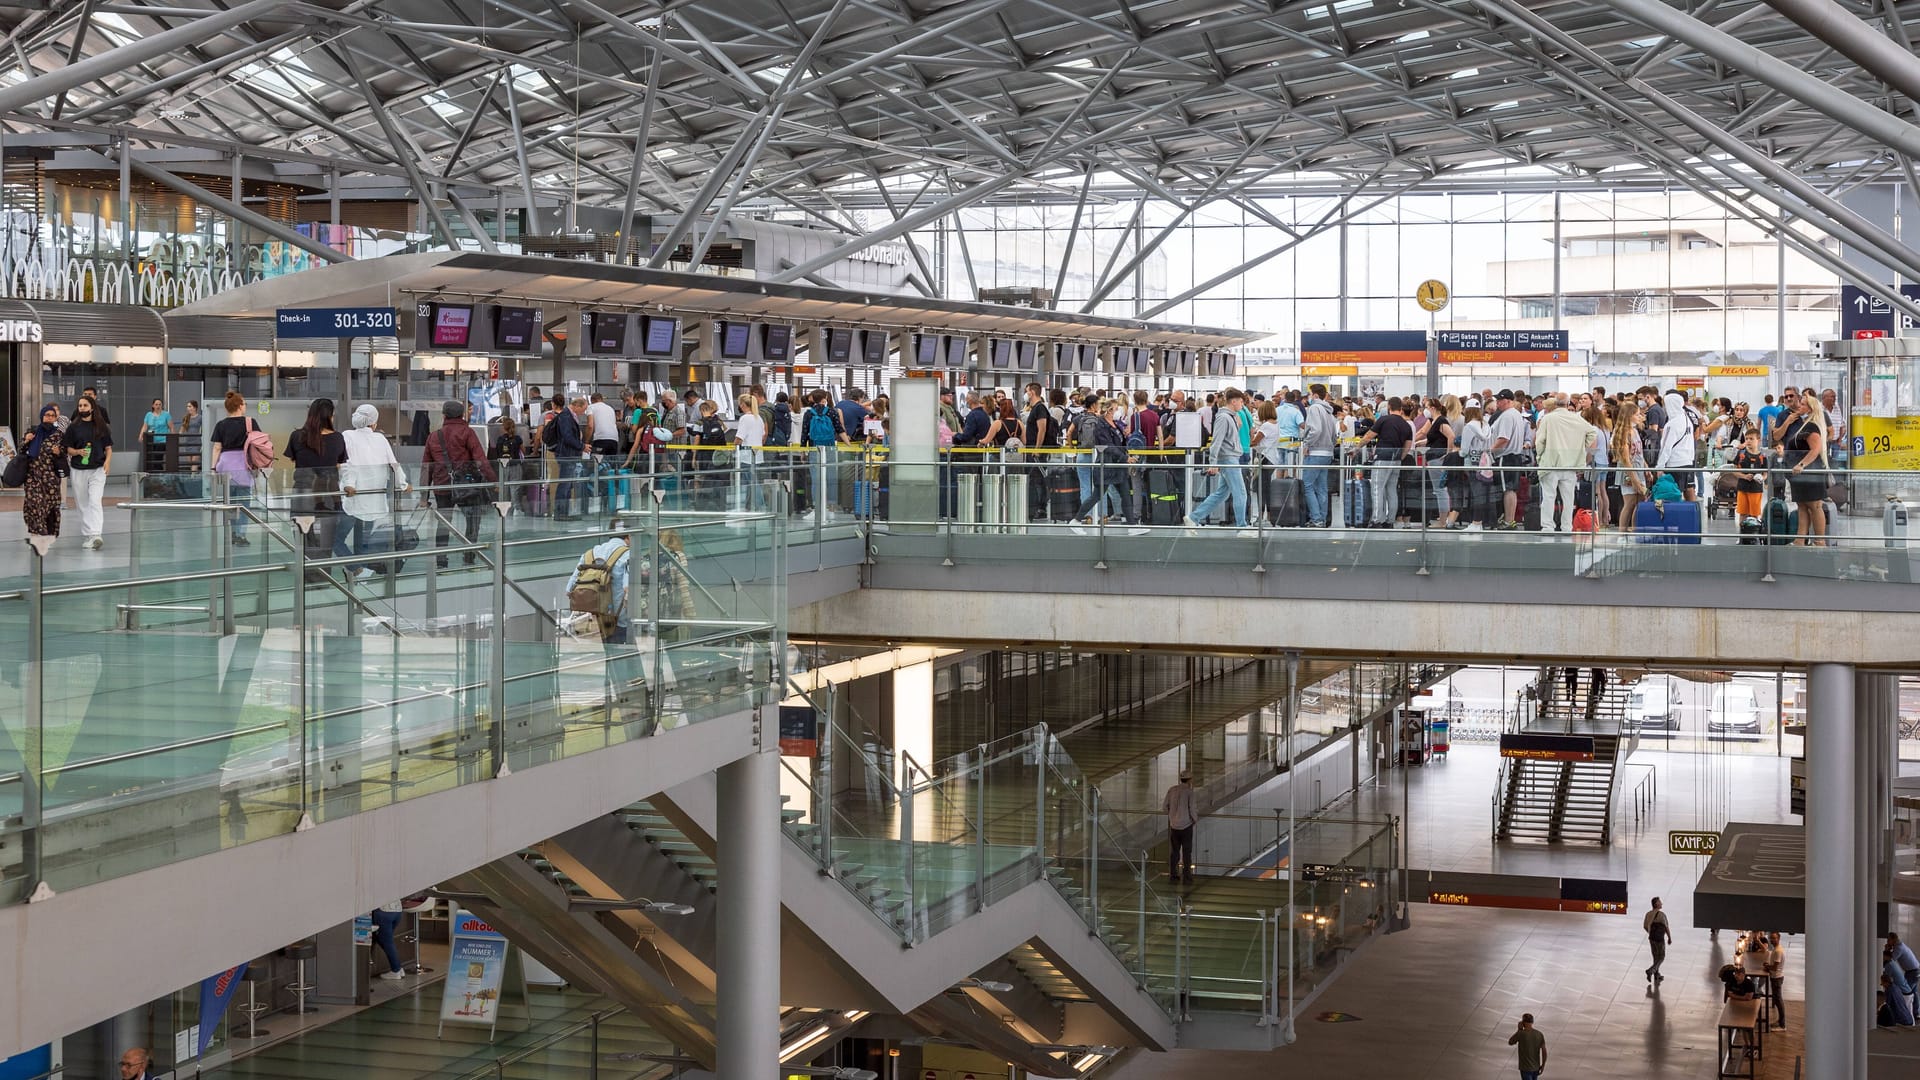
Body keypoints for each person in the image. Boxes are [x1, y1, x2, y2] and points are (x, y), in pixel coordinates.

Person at [339, 403, 409, 581]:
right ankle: (358, 570)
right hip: (374, 497)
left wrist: (349, 484)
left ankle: (356, 570)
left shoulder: (346, 436)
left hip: (352, 494)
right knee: (362, 540)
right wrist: (403, 484)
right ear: (374, 423)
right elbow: (394, 465)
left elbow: (346, 465)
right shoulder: (380, 439)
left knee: (336, 538)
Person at [422, 400, 496, 566]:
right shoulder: (467, 433)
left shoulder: (434, 436)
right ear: (462, 414)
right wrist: (493, 481)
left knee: (444, 523)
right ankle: (469, 558)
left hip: (442, 486)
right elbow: (480, 459)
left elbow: (426, 467)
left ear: (443, 415)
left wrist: (423, 495)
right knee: (473, 521)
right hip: (466, 485)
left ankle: (441, 560)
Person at [286, 398, 348, 580]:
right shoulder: (337, 438)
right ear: (330, 416)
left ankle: (305, 575)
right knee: (325, 539)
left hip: (302, 493)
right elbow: (339, 464)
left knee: (303, 537)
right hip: (327, 494)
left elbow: (293, 460)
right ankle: (322, 576)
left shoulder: (297, 436)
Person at [1183, 388, 1249, 529]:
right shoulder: (1224, 418)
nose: (1242, 405)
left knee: (1221, 494)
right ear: (1234, 401)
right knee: (1240, 493)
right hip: (1228, 459)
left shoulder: (1230, 417)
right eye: (1241, 402)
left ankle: (1193, 518)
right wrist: (1213, 462)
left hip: (1230, 457)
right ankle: (1242, 527)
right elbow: (1216, 442)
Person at [1534, 397, 1596, 533]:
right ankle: (1567, 527)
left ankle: (1548, 527)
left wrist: (1540, 456)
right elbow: (1592, 432)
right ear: (1568, 404)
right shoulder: (1577, 418)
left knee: (1548, 497)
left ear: (1555, 404)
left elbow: (1540, 441)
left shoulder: (1548, 419)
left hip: (1550, 463)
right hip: (1570, 464)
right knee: (1569, 499)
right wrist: (1581, 448)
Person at [211, 391, 263, 545]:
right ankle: (240, 534)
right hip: (244, 465)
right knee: (243, 503)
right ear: (240, 406)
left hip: (226, 466)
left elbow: (217, 448)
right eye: (244, 403)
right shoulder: (250, 422)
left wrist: (213, 468)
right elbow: (258, 444)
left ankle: (232, 532)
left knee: (229, 502)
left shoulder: (221, 424)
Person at [64, 393, 113, 549]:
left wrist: (107, 463)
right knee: (82, 503)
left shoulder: (101, 426)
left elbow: (108, 448)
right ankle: (88, 535)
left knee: (95, 501)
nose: (82, 408)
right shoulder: (73, 427)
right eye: (80, 405)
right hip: (78, 469)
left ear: (92, 407)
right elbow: (68, 449)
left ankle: (96, 534)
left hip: (97, 469)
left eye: (85, 405)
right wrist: (78, 452)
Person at [1781, 395, 1828, 545]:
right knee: (1802, 506)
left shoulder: (1812, 426)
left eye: (1802, 404)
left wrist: (1801, 465)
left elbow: (1815, 449)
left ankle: (1820, 541)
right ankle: (1799, 540)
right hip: (1799, 476)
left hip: (1809, 473)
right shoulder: (1803, 424)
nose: (1799, 406)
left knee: (1815, 506)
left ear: (1810, 408)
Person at [1359, 396, 1413, 527]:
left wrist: (1356, 448)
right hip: (1396, 460)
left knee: (1377, 488)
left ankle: (1377, 519)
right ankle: (1390, 520)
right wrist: (1400, 457)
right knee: (1391, 490)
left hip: (1382, 458)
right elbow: (1408, 446)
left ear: (1389, 407)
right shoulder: (1406, 425)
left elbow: (1368, 436)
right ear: (1400, 409)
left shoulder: (1383, 420)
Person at [18, 404, 67, 539]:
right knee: (33, 503)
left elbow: (65, 452)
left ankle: (48, 533)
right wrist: (26, 440)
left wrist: (59, 452)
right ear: (42, 416)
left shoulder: (59, 435)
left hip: (51, 477)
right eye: (47, 415)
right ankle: (35, 534)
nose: (49, 418)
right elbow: (21, 450)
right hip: (32, 476)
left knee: (49, 506)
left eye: (52, 416)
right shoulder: (33, 431)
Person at [1488, 390, 1532, 530]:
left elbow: (1503, 439)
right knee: (1511, 489)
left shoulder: (1507, 416)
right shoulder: (1516, 414)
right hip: (1514, 456)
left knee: (1508, 489)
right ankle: (1509, 519)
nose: (1497, 403)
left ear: (1507, 400)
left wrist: (1489, 452)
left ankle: (1508, 520)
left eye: (1499, 400)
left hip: (1506, 456)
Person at [550, 396, 589, 519]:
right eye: (583, 409)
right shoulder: (566, 416)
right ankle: (560, 513)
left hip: (569, 454)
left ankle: (564, 512)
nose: (583, 413)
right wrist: (581, 446)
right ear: (577, 405)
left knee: (567, 484)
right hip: (566, 454)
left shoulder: (568, 416)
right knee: (565, 484)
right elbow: (567, 437)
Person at [1163, 767, 1196, 885]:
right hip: (1186, 826)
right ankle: (1187, 877)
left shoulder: (1172, 790)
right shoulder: (1189, 792)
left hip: (1173, 826)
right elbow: (1192, 809)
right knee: (1187, 853)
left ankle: (1173, 875)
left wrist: (1172, 816)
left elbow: (1164, 807)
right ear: (1189, 780)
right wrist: (1194, 820)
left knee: (1174, 851)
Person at [734, 392, 766, 510]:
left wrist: (734, 448)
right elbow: (763, 435)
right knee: (751, 481)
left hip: (746, 455)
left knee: (752, 482)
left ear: (743, 405)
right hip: (757, 455)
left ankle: (760, 505)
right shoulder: (758, 418)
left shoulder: (745, 418)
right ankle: (749, 505)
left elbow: (739, 437)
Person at [372, 899, 408, 981]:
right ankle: (399, 968)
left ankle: (396, 970)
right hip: (397, 910)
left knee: (387, 942)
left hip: (384, 912)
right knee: (384, 940)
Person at [1507, 1014, 1546, 1080]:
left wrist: (1519, 1029)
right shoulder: (1539, 1034)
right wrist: (1543, 1065)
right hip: (1536, 1067)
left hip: (1525, 1068)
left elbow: (1510, 1042)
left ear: (1523, 1022)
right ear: (1532, 1022)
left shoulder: (1521, 1033)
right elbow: (1544, 1052)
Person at [1643, 896, 1672, 984]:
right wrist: (1669, 938)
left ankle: (1657, 974)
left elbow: (1645, 926)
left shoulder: (1648, 914)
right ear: (1656, 904)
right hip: (1659, 939)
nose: (1661, 903)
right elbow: (1666, 927)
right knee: (1661, 956)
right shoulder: (1661, 915)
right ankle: (1651, 971)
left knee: (1655, 956)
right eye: (1660, 902)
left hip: (1652, 938)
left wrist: (1651, 932)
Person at [139, 396, 172, 471]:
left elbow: (171, 427)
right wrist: (141, 435)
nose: (158, 406)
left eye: (160, 404)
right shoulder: (149, 415)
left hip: (162, 440)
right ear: (153, 405)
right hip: (151, 440)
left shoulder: (166, 414)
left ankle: (158, 474)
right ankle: (154, 474)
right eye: (156, 404)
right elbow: (145, 426)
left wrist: (172, 439)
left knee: (158, 458)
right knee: (151, 458)